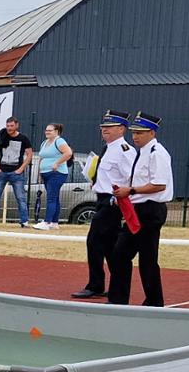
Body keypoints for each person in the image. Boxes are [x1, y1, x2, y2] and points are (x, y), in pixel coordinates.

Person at [107, 112, 174, 307]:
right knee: (120, 254)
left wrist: (131, 190)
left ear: (152, 133)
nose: (135, 136)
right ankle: (118, 300)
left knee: (146, 259)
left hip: (150, 210)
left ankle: (153, 302)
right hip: (138, 208)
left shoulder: (157, 153)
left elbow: (159, 184)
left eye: (141, 132)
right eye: (134, 132)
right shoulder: (143, 152)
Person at [72, 111, 138, 299]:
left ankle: (95, 285)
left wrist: (119, 199)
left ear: (121, 129)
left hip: (112, 202)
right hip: (102, 199)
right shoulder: (109, 148)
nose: (104, 130)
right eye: (103, 127)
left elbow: (130, 178)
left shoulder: (125, 150)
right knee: (110, 247)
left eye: (109, 127)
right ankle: (115, 285)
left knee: (94, 242)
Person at [0, 117, 32, 227]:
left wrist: (21, 169)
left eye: (11, 126)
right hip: (1, 173)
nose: (9, 128)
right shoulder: (1, 136)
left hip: (16, 173)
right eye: (7, 126)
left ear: (17, 125)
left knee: (20, 198)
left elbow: (29, 155)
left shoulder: (23, 139)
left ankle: (24, 221)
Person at [32, 124, 75, 230]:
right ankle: (54, 222)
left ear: (56, 131)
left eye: (50, 130)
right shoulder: (44, 143)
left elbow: (68, 153)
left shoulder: (59, 141)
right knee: (54, 198)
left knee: (51, 198)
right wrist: (40, 173)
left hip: (57, 173)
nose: (47, 132)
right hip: (46, 173)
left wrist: (57, 163)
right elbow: (41, 157)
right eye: (46, 130)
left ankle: (47, 222)